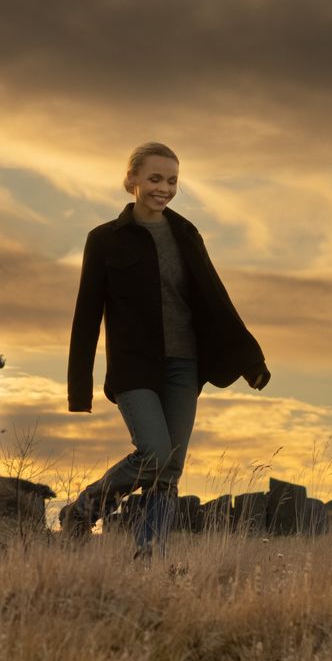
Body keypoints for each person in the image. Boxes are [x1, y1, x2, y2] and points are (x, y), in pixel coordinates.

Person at [64, 142, 270, 555]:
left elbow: (216, 298)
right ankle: (83, 511)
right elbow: (87, 315)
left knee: (170, 466)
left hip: (185, 365)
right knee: (154, 454)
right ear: (132, 181)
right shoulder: (104, 240)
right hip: (133, 368)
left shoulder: (186, 233)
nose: (164, 188)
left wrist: (250, 358)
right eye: (155, 178)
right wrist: (79, 389)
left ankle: (149, 552)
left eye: (172, 180)